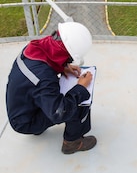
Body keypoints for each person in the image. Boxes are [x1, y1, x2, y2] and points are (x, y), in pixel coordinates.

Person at [6, 22, 96, 154]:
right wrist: (81, 88)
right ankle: (72, 143)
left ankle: (38, 128)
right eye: (69, 59)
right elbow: (59, 113)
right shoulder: (44, 77)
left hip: (22, 110)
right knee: (81, 101)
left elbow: (45, 64)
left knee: (63, 94)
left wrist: (63, 66)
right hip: (25, 122)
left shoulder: (33, 48)